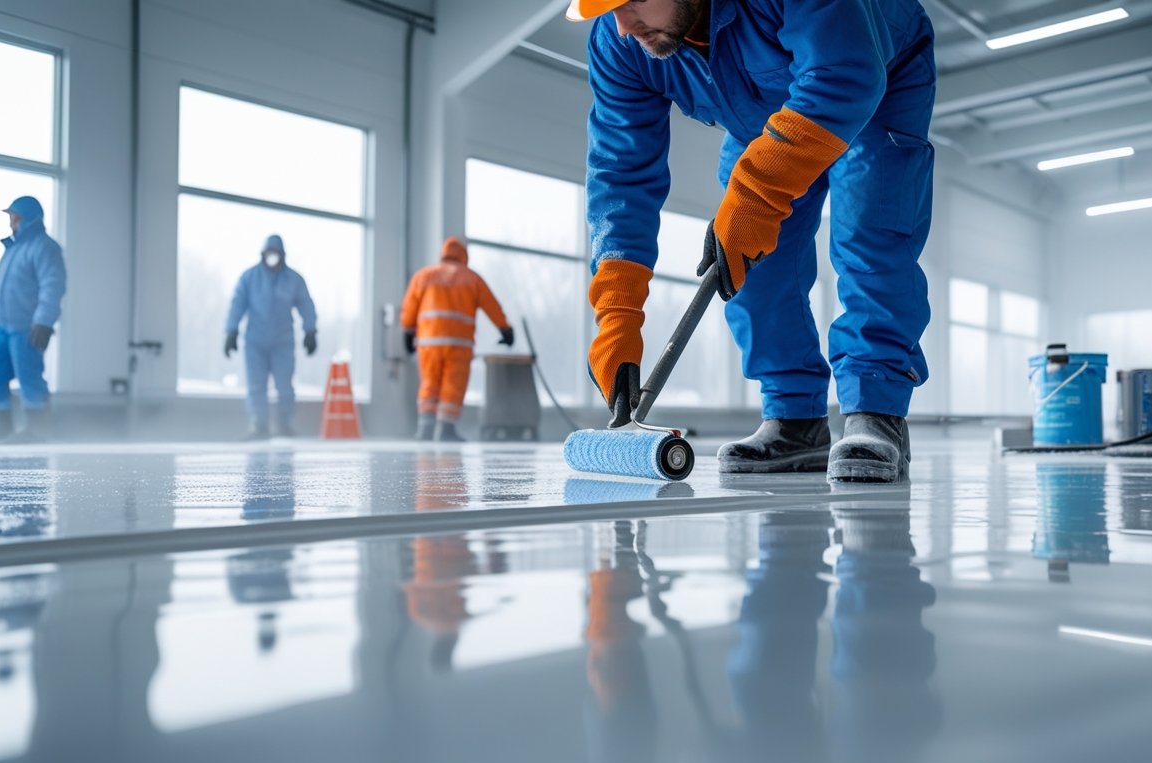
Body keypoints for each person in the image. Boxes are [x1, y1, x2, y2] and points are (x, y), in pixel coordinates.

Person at [569, 0, 935, 482]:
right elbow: (619, 177)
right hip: (760, 118)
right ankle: (795, 418)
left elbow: (841, 74)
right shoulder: (618, 42)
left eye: (632, 0)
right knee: (749, 261)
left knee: (870, 235)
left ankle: (875, 410)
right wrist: (616, 312)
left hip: (870, 77)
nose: (621, 23)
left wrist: (759, 193)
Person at [400, 236, 514, 442]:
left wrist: (407, 332)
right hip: (459, 344)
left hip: (429, 343)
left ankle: (425, 430)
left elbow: (410, 306)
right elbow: (492, 305)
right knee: (454, 384)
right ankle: (446, 430)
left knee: (429, 383)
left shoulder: (423, 276)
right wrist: (505, 329)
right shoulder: (471, 278)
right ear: (464, 256)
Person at [0, 196, 67, 443]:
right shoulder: (12, 250)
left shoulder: (45, 247)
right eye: (11, 217)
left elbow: (52, 286)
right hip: (3, 328)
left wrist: (43, 321)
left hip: (26, 328)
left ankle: (38, 430)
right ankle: (1, 426)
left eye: (15, 217)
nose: (12, 222)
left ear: (30, 218)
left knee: (29, 377)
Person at [225, 234, 317, 439]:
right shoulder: (249, 278)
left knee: (284, 386)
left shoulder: (294, 280)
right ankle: (259, 426)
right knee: (256, 385)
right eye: (269, 253)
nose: (272, 257)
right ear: (263, 254)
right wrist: (231, 330)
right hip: (255, 342)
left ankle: (285, 425)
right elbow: (237, 304)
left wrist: (310, 331)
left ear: (283, 256)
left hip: (282, 342)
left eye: (276, 254)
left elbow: (306, 304)